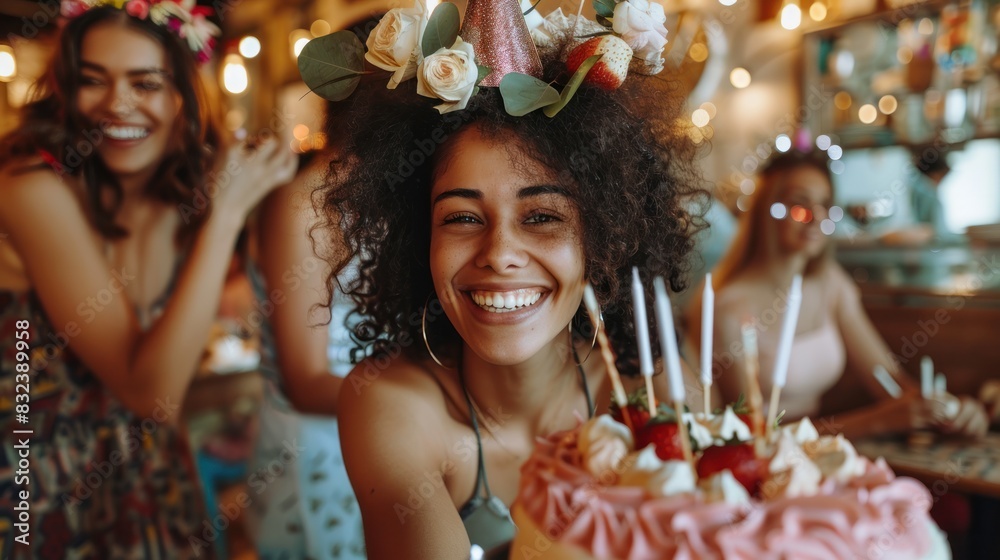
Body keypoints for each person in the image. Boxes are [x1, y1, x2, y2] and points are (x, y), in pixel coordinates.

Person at [304, 4, 705, 558]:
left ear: (605, 237)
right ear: (420, 239)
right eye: (463, 218)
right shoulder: (392, 405)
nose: (499, 255)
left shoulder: (658, 398)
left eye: (542, 217)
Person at [0, 3, 295, 557]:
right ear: (64, 88)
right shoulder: (29, 188)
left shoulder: (173, 190)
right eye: (93, 80)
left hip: (147, 476)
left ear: (185, 91)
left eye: (146, 82)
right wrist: (226, 214)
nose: (117, 104)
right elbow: (148, 389)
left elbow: (170, 354)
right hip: (30, 476)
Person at [684, 151, 988, 440]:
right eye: (800, 206)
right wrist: (878, 421)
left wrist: (953, 410)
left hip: (825, 450)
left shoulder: (830, 283)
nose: (816, 217)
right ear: (767, 210)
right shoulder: (726, 307)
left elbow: (890, 383)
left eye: (825, 205)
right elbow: (749, 437)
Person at [243, 148, 366, 560]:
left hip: (391, 434)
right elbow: (305, 382)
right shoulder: (308, 200)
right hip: (320, 453)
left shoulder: (404, 180)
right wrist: (435, 396)